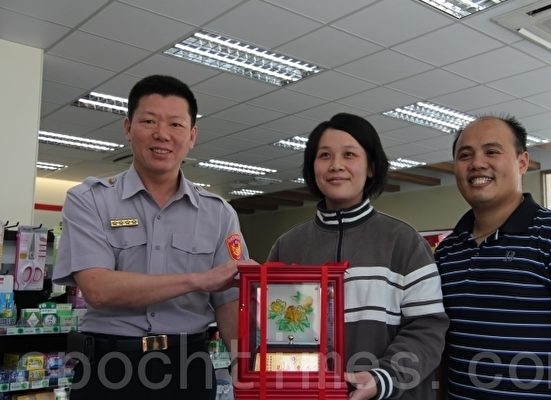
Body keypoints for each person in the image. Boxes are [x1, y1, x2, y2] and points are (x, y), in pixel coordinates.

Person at [53, 75, 254, 400]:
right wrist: (199, 280)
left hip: (188, 367)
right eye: (149, 121)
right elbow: (98, 289)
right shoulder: (89, 200)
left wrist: (243, 368)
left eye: (176, 124)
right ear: (128, 128)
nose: (162, 134)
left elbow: (229, 301)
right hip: (107, 367)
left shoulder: (219, 213)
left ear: (192, 136)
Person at [267, 113, 449, 400]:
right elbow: (278, 331)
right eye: (324, 155)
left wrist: (384, 378)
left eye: (349, 154)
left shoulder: (404, 242)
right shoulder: (287, 246)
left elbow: (428, 328)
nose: (336, 165)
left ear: (371, 167)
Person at [434, 115, 551, 399]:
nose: (477, 163)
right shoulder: (447, 252)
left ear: (522, 162)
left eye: (492, 151)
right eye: (465, 155)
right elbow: (443, 349)